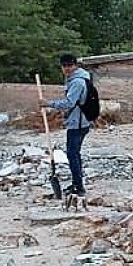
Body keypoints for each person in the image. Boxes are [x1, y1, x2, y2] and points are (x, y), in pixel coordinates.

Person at [39, 54, 92, 197]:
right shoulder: (79, 78)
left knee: (72, 154)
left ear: (75, 65)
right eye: (64, 66)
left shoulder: (77, 82)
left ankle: (79, 187)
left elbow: (70, 102)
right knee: (75, 154)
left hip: (78, 123)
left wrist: (49, 103)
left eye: (70, 65)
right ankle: (77, 183)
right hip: (81, 120)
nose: (67, 69)